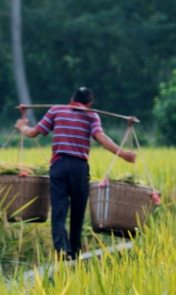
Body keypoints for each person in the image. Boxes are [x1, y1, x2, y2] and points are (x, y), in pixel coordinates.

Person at [14, 87, 137, 259]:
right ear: (90, 103)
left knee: (59, 208)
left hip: (58, 165)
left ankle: (62, 249)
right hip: (79, 167)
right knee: (78, 209)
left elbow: (34, 133)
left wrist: (22, 125)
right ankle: (74, 250)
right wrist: (123, 154)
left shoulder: (56, 110)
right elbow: (100, 137)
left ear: (71, 99)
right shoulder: (91, 115)